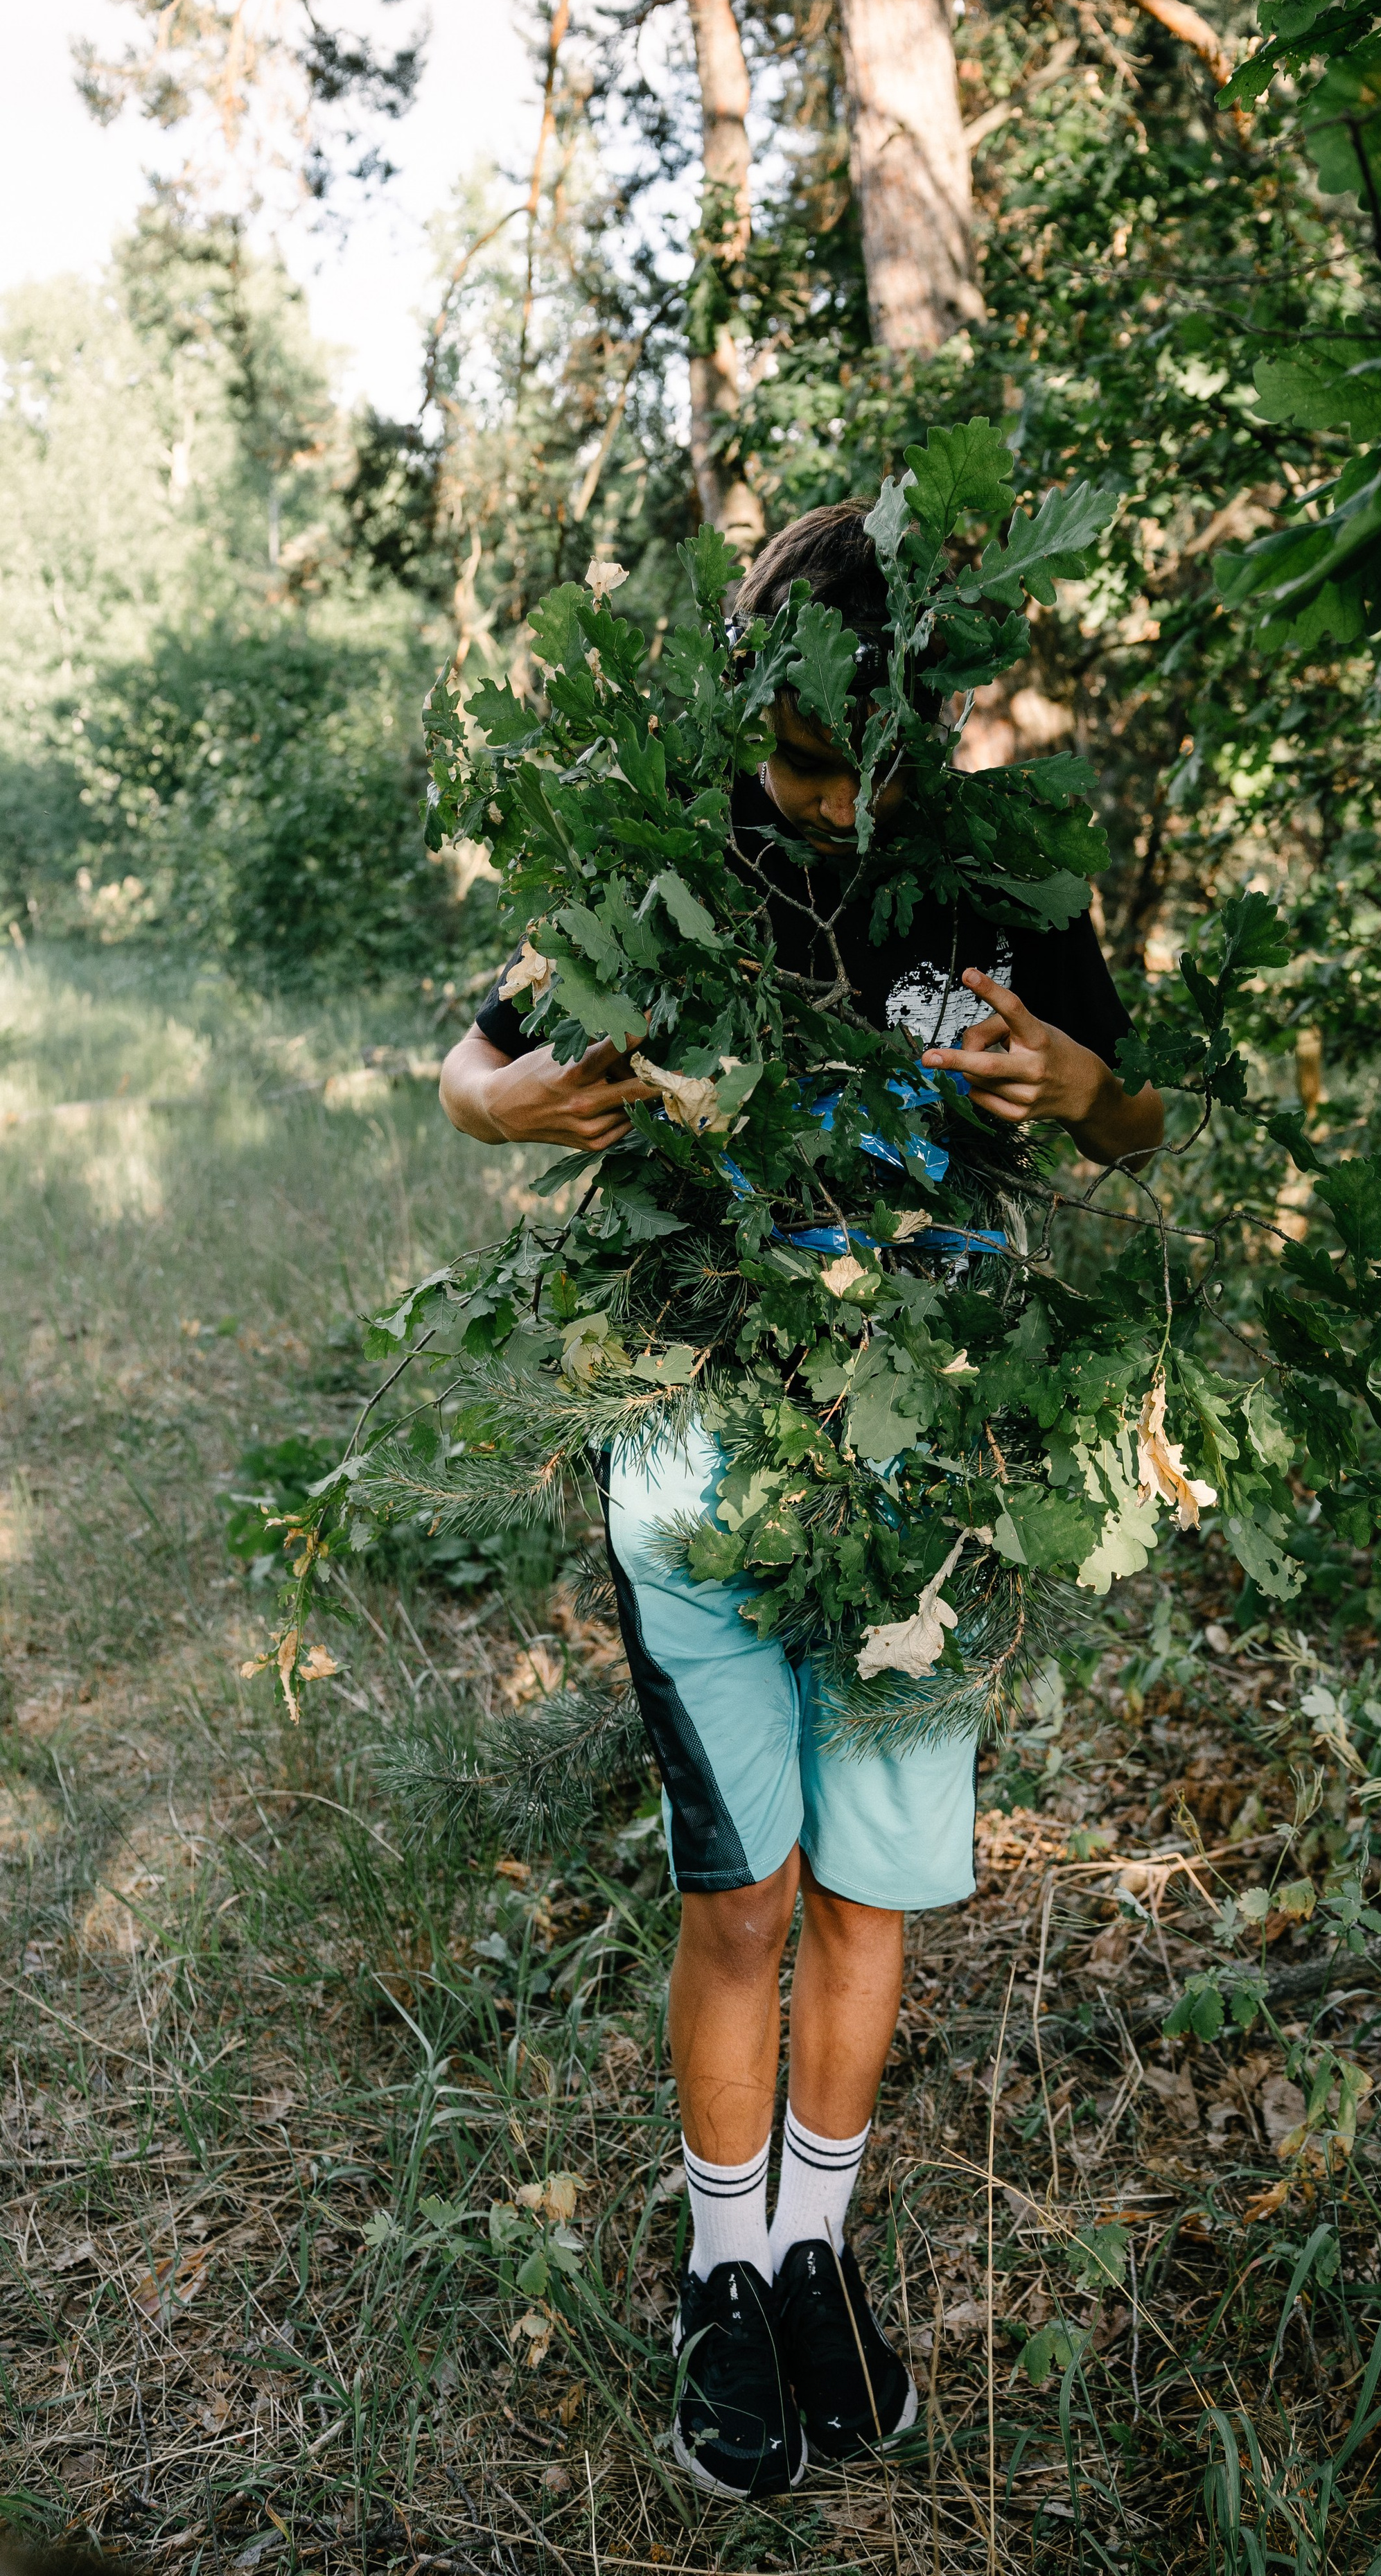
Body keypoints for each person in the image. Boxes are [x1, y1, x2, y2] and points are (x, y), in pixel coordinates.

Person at [439, 502, 1163, 2498]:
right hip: (696, 1456)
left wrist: (1076, 1088)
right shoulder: (676, 845)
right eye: (792, 764)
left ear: (922, 719)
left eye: (856, 767)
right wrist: (522, 1099)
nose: (821, 805)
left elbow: (1139, 1110)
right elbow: (473, 1064)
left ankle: (817, 2250)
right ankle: (719, 2272)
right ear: (746, 708)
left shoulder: (1000, 870)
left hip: (928, 1479)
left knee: (865, 1891)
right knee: (742, 1892)